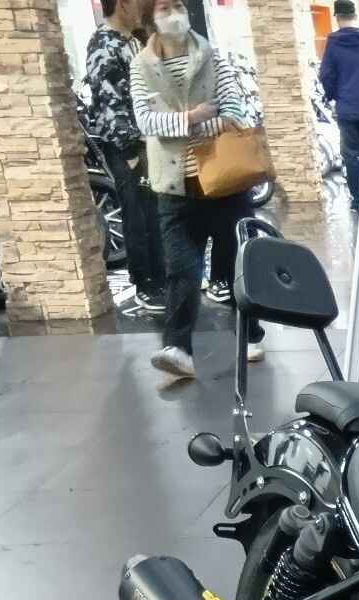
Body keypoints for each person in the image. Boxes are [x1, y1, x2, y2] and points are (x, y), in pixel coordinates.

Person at [130, 0, 264, 380]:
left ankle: (251, 334)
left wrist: (182, 124)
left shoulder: (212, 56)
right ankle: (178, 348)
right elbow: (146, 121)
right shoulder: (141, 66)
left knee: (237, 263)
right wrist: (195, 116)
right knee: (180, 270)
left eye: (177, 5)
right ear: (150, 17)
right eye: (164, 7)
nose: (174, 13)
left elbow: (234, 112)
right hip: (175, 187)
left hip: (224, 180)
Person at [82, 0, 165, 312]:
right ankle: (146, 284)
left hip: (147, 141)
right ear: (121, 4)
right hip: (127, 146)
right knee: (138, 215)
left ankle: (162, 276)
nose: (143, 7)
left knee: (155, 212)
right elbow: (108, 102)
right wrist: (129, 150)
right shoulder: (104, 43)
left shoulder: (131, 40)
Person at [318, 0, 359, 213]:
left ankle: (358, 201)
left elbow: (326, 75)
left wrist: (333, 96)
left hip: (347, 109)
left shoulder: (333, 42)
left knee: (351, 156)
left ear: (337, 18)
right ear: (355, 15)